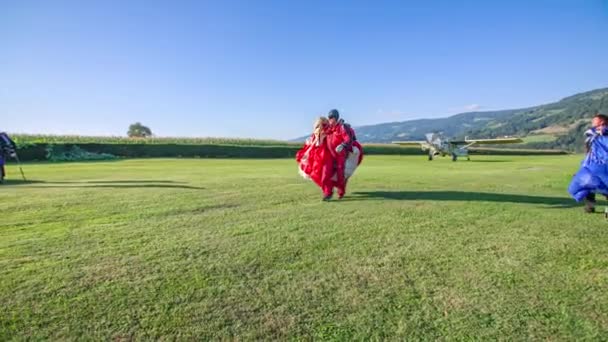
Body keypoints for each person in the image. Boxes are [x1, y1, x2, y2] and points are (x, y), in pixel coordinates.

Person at [568, 113, 608, 212]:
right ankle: (590, 206)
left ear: (602, 122)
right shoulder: (593, 135)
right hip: (592, 164)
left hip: (603, 165)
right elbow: (590, 152)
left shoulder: (603, 134)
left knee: (603, 184)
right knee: (587, 182)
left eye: (595, 120)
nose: (592, 122)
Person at [296, 117, 334, 199]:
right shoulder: (313, 137)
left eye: (324, 125)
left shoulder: (329, 134)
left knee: (325, 173)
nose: (321, 128)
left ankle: (328, 192)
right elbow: (312, 146)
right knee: (314, 174)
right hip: (316, 157)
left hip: (327, 156)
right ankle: (327, 189)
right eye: (318, 126)